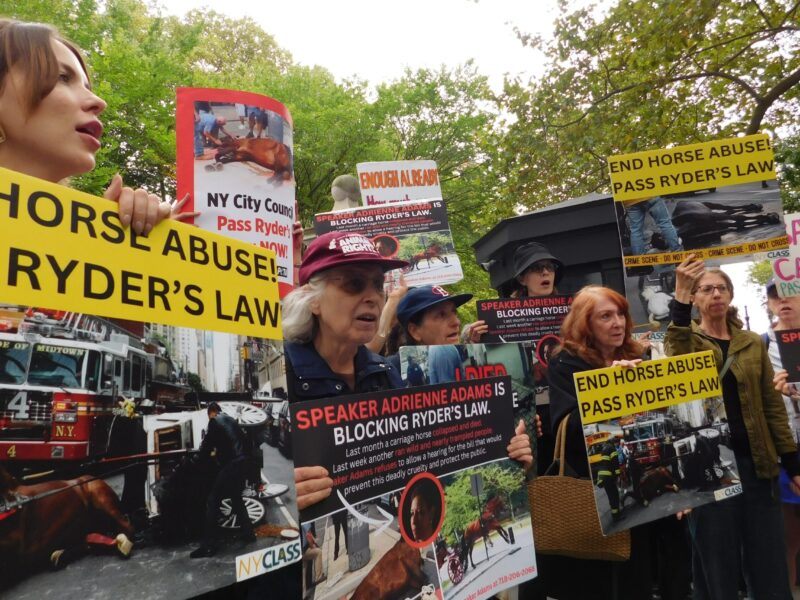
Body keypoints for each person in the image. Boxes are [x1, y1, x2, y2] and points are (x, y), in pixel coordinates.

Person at [666, 257, 800, 599]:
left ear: (731, 294)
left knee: (769, 565)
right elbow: (677, 354)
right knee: (719, 568)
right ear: (695, 299)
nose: (715, 294)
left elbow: (773, 409)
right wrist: (680, 295)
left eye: (722, 288)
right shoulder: (689, 339)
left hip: (759, 466)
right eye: (706, 289)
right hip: (714, 472)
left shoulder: (753, 342)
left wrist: (791, 463)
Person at [547, 285, 688, 600]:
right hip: (609, 492)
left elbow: (666, 419)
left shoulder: (640, 354)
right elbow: (568, 433)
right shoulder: (565, 363)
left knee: (675, 566)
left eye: (621, 314)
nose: (618, 323)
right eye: (605, 316)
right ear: (585, 324)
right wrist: (610, 387)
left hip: (656, 480)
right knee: (628, 579)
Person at [0, 19, 187, 233]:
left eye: (87, 86)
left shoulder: (92, 234)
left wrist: (116, 240)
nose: (99, 102)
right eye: (62, 77)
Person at [283, 231, 408, 512]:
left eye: (378, 285)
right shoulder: (282, 375)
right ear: (312, 299)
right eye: (354, 284)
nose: (374, 298)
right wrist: (285, 493)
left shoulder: (385, 374)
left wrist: (505, 447)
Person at [393, 285, 534, 471]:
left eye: (454, 313)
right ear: (415, 331)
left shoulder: (450, 352)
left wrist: (519, 445)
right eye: (441, 315)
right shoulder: (391, 375)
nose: (456, 322)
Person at [764, 280, 800, 595]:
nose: (782, 301)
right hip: (787, 450)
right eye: (775, 296)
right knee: (788, 537)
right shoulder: (762, 345)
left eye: (789, 292)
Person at [190, 402, 255, 558]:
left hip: (232, 464)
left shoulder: (214, 421)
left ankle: (209, 546)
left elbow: (206, 447)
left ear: (211, 412)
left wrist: (196, 459)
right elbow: (243, 442)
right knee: (236, 497)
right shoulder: (231, 420)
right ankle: (248, 533)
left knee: (212, 500)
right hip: (243, 462)